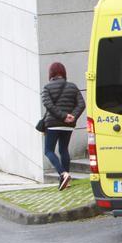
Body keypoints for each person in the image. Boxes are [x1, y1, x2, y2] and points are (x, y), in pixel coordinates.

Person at [42, 62, 85, 191]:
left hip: (53, 125)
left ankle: (63, 173)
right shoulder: (73, 87)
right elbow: (81, 104)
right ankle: (67, 181)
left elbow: (48, 105)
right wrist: (72, 116)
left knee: (49, 150)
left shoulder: (47, 88)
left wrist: (62, 116)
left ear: (51, 74)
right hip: (68, 126)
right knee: (63, 149)